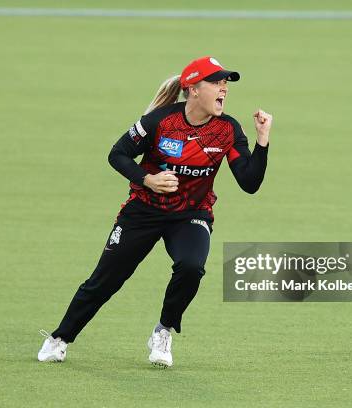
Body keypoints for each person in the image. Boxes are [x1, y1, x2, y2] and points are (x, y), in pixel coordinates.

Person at [38, 56, 273, 367]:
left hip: (191, 215)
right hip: (143, 211)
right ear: (193, 89)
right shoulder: (160, 121)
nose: (223, 89)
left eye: (225, 83)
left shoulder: (227, 129)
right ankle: (60, 338)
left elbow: (249, 182)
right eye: (216, 82)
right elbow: (117, 154)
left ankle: (163, 331)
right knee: (105, 281)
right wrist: (147, 179)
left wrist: (262, 139)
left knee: (191, 266)